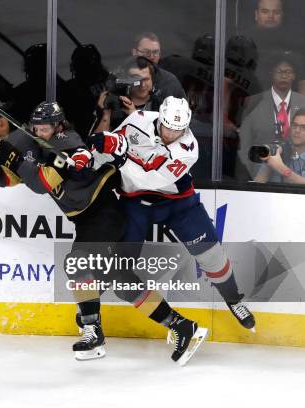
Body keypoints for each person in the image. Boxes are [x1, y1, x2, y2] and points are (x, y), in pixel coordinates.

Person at [0, 102, 208, 365]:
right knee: (123, 281)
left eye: (45, 127)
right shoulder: (28, 137)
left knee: (77, 263)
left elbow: (41, 182)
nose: (40, 131)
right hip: (87, 220)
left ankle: (93, 333)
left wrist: (12, 158)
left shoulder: (69, 142)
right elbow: (8, 178)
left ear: (58, 125)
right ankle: (181, 326)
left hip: (106, 212)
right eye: (36, 127)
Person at [107, 96, 256, 333]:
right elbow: (110, 146)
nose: (171, 135)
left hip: (177, 203)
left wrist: (121, 159)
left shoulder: (188, 148)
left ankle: (234, 299)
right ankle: (174, 323)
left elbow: (149, 179)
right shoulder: (137, 120)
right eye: (168, 127)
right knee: (119, 271)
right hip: (134, 203)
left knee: (212, 255)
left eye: (178, 130)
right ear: (160, 119)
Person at [237, 52, 305, 179]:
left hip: (297, 173)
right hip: (260, 173)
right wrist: (243, 180)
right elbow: (244, 144)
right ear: (271, 74)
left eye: (288, 72)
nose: (284, 76)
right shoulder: (254, 102)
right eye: (279, 72)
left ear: (294, 76)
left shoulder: (303, 103)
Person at [254, 107, 305, 183]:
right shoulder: (279, 153)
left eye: (303, 127)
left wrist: (281, 168)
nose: (297, 130)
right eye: (294, 125)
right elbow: (256, 187)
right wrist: (269, 159)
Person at [131, 32, 185, 100]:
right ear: (135, 52)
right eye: (147, 52)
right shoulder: (121, 77)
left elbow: (184, 109)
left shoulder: (170, 81)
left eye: (155, 52)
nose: (152, 56)